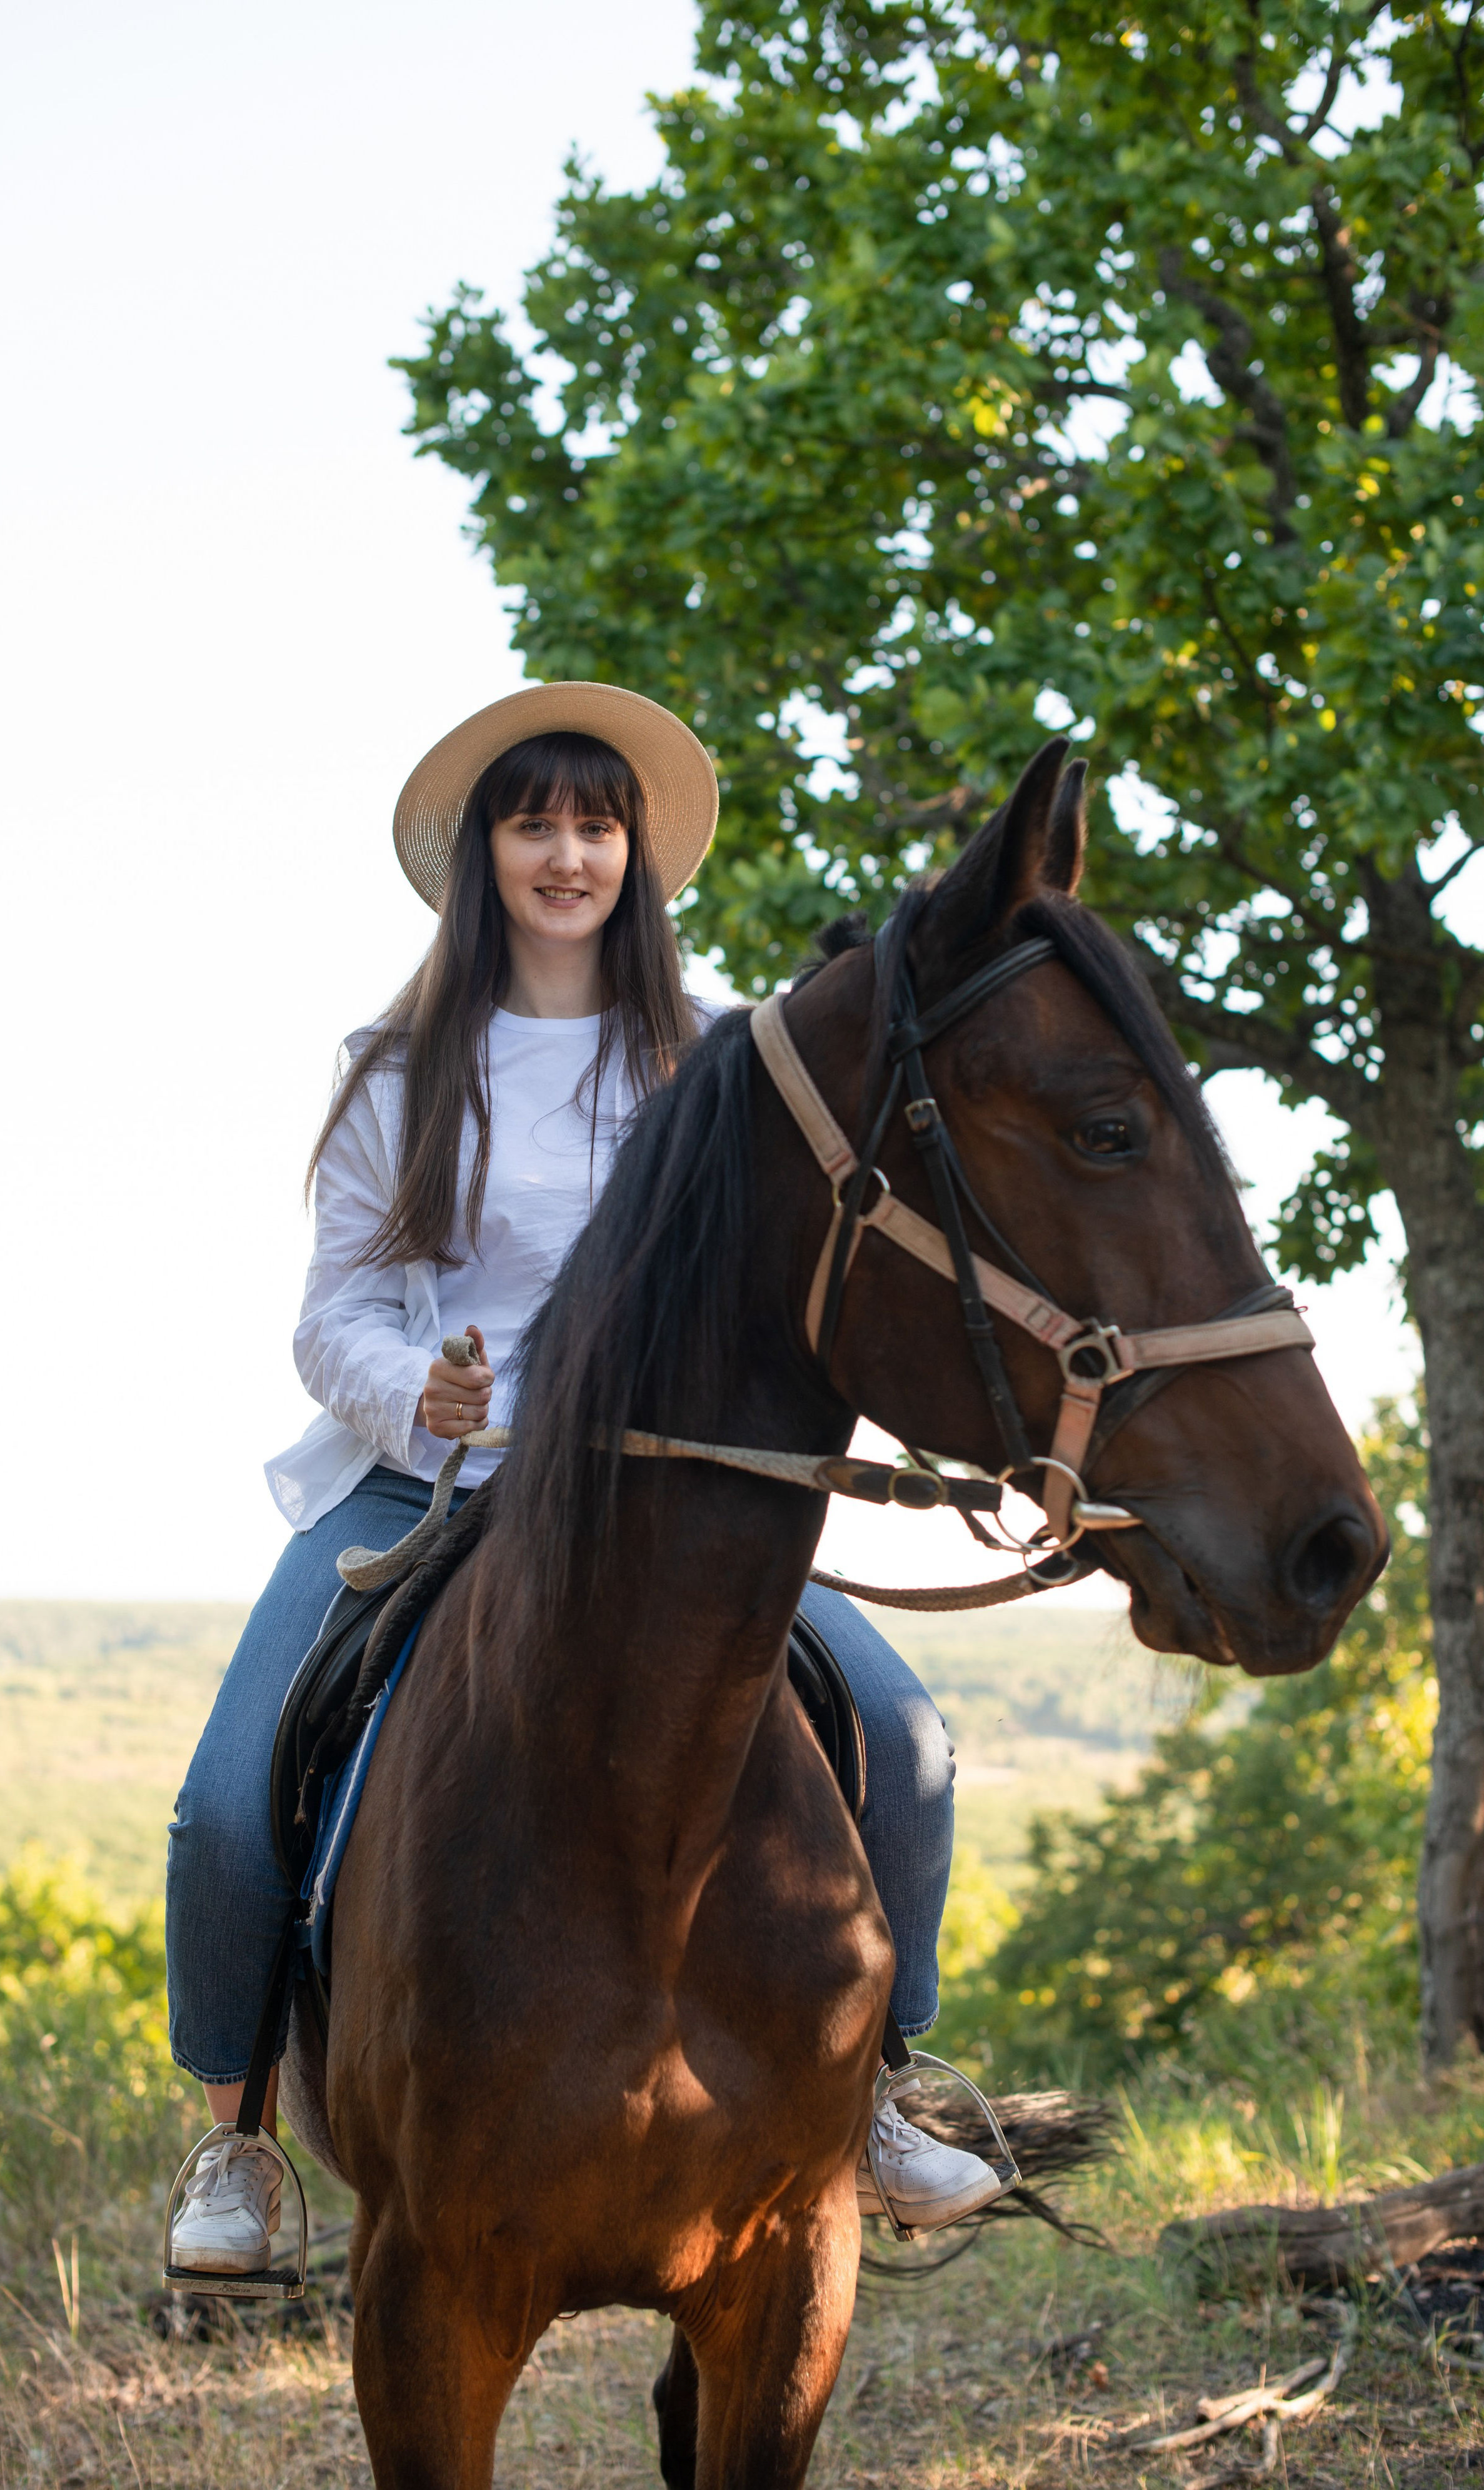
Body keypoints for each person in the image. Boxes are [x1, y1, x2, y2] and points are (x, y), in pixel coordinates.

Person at [164, 682, 1002, 2275]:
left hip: (669, 1501)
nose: (567, 853)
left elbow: (780, 1280)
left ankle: (886, 2081)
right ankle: (236, 2132)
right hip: (425, 1481)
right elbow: (329, 1308)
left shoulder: (717, 1061)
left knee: (901, 1733)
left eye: (596, 823)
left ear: (636, 855)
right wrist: (425, 1387)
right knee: (222, 1803)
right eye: (533, 821)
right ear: (483, 854)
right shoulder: (397, 1068)